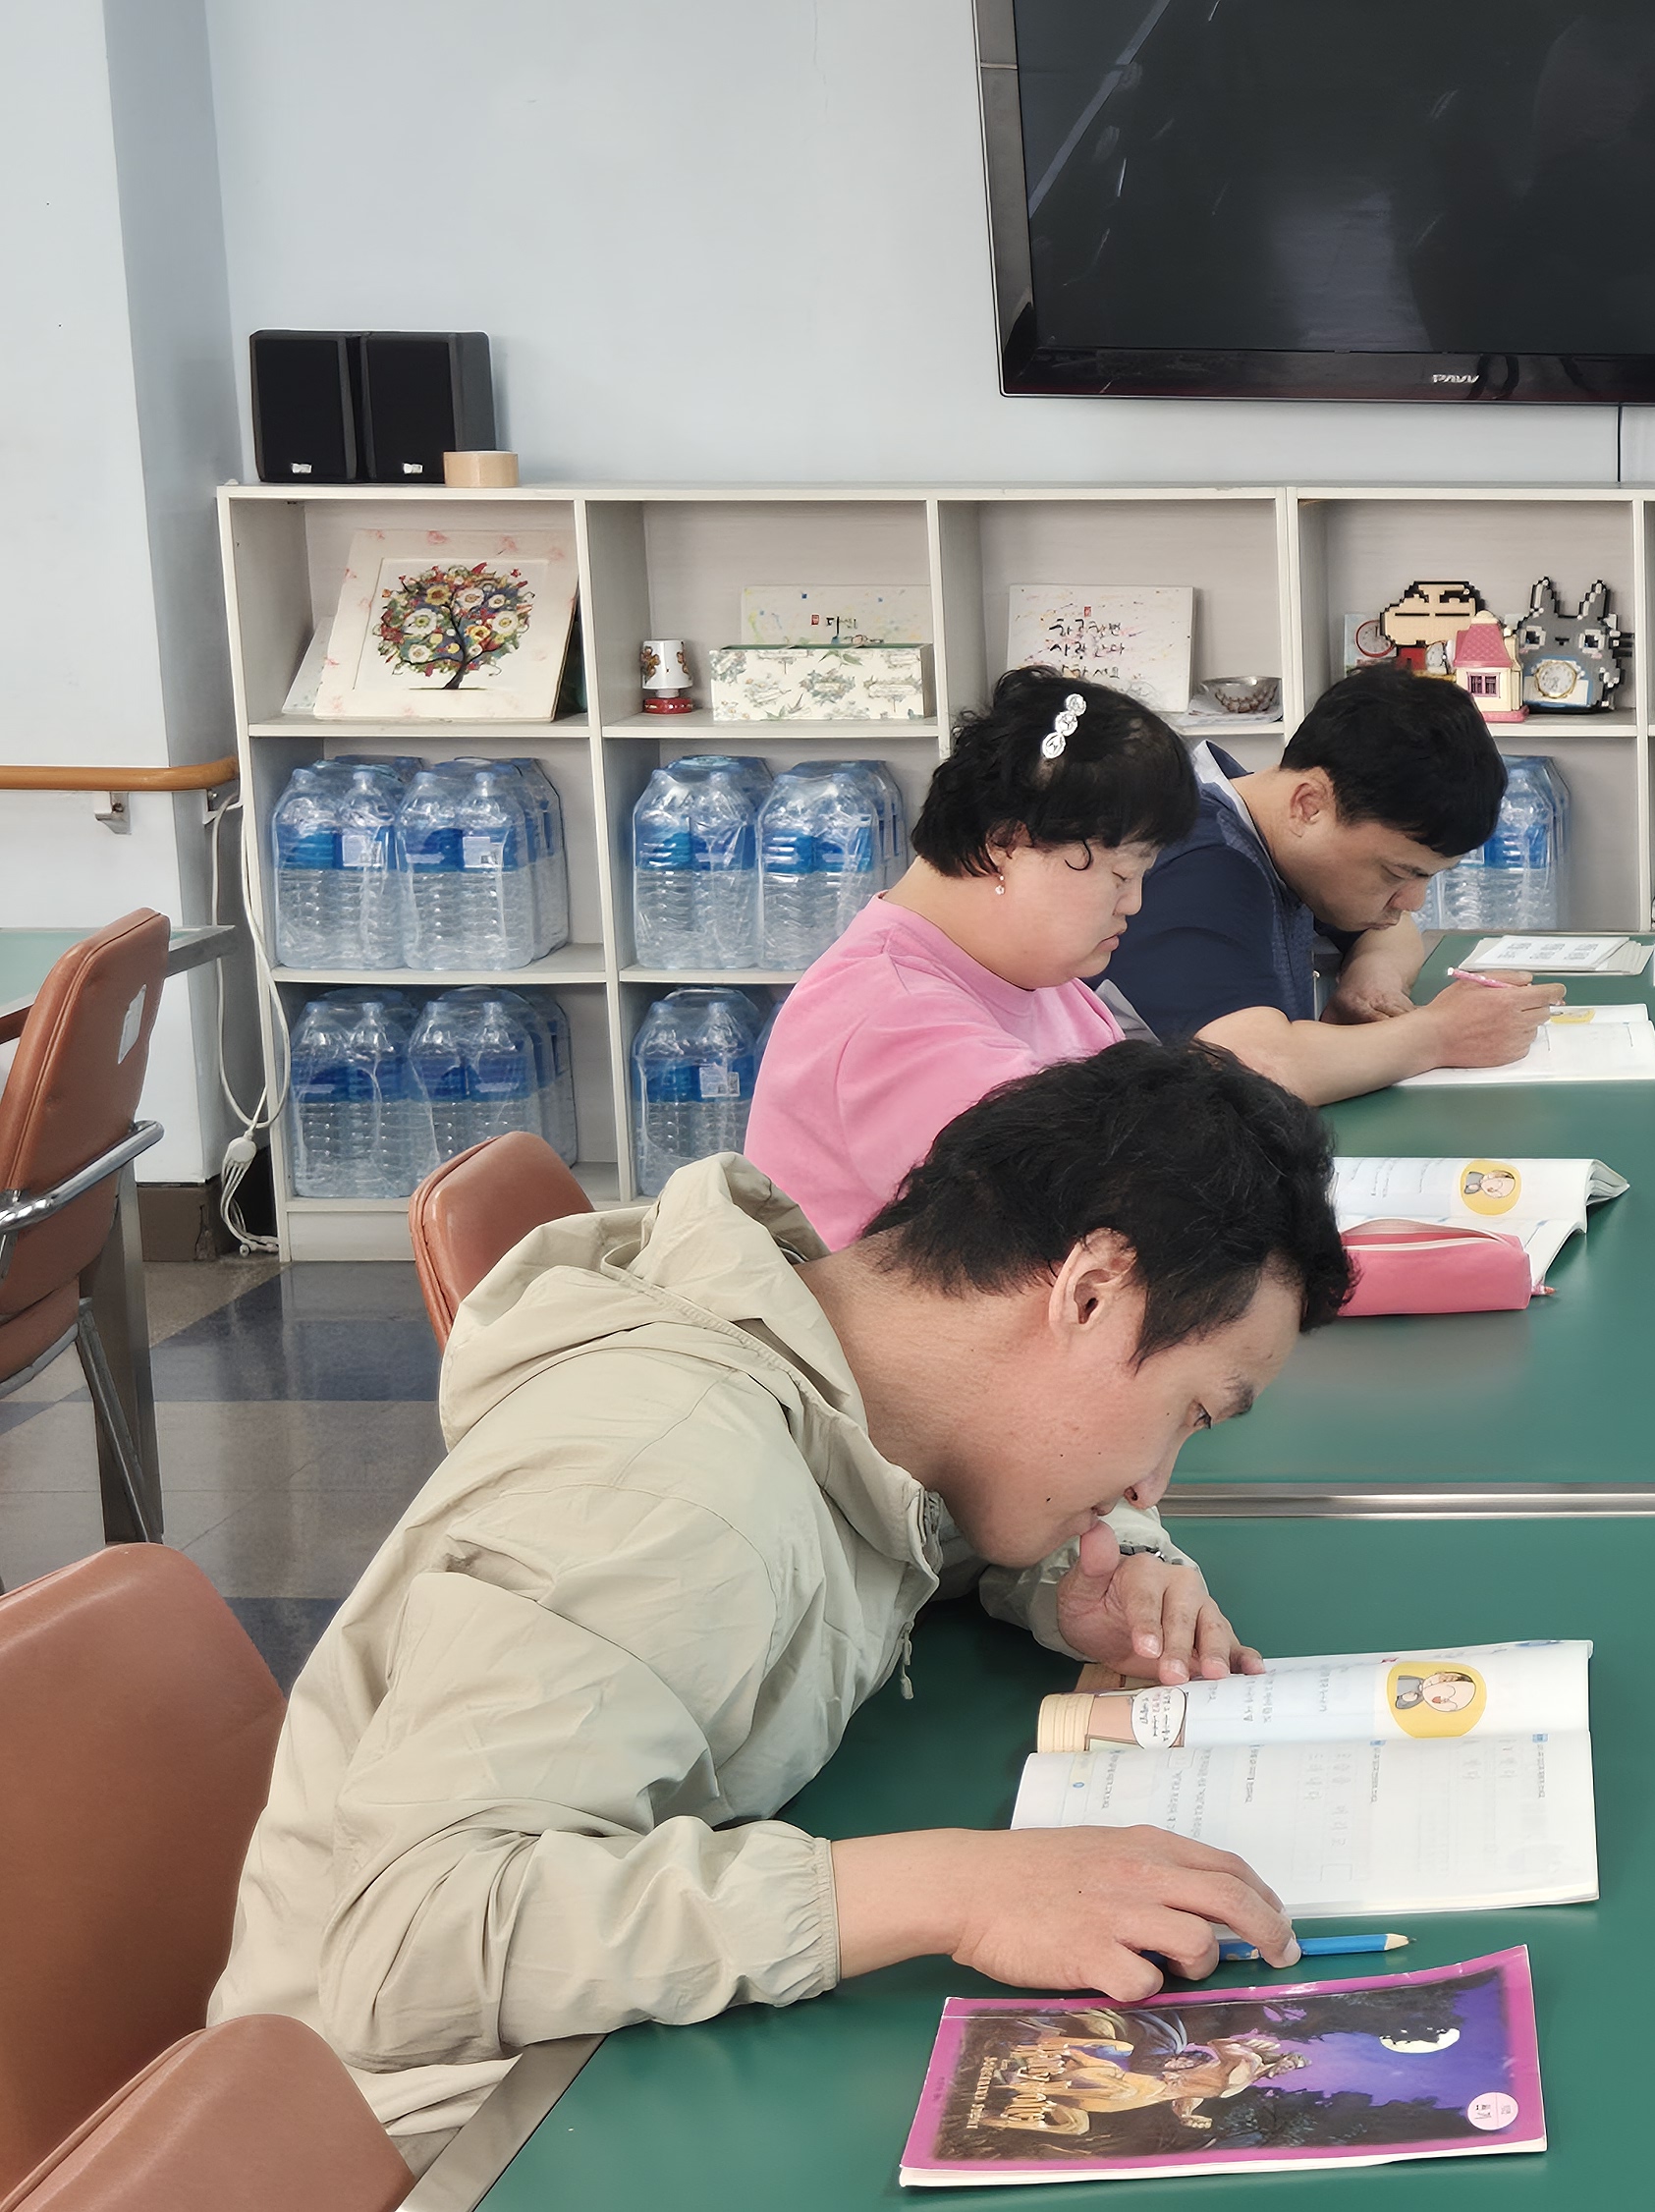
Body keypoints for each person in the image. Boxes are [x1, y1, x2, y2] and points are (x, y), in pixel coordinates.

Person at [212, 1045, 1356, 2163]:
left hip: (598, 2066)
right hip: (433, 2140)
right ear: (1091, 1289)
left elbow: (920, 1505)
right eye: (1191, 1412)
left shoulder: (851, 1368)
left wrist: (1087, 1573)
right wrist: (957, 1888)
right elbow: (412, 1941)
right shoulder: (663, 1489)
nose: (1154, 1485)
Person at [745, 671, 1200, 1247]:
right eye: (1121, 873)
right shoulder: (893, 1020)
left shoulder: (1027, 971)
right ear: (1007, 844)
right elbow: (1088, 1216)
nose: (1133, 902)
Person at [1108, 663, 1562, 1102]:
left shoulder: (1271, 827)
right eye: (1397, 873)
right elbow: (1253, 1067)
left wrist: (1372, 979)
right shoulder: (1196, 866)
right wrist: (1441, 1034)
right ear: (1309, 804)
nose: (1413, 901)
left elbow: (1389, 931)